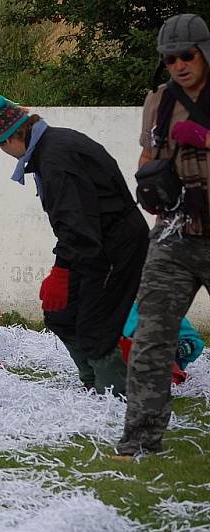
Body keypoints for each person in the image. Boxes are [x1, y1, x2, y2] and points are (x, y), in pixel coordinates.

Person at [0, 95, 149, 396]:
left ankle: (115, 395)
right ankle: (91, 380)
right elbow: (77, 226)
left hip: (114, 246)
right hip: (91, 245)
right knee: (60, 312)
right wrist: (63, 269)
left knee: (95, 323)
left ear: (8, 140)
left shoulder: (56, 158)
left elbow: (78, 224)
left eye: (0, 147)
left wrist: (61, 271)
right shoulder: (51, 148)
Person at [117, 13, 210, 457]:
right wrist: (149, 180)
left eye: (186, 55)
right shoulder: (159, 102)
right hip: (174, 234)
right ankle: (140, 440)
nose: (178, 65)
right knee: (151, 338)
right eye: (170, 58)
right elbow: (146, 155)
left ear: (205, 52)